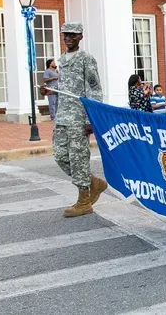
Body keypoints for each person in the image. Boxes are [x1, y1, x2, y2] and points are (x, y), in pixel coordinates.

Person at [52, 21, 107, 218]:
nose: (68, 38)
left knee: (78, 159)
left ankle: (84, 200)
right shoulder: (62, 60)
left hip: (78, 117)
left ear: (80, 37)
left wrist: (91, 119)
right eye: (65, 34)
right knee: (60, 156)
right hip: (62, 116)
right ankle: (94, 183)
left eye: (73, 35)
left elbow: (94, 89)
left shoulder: (86, 59)